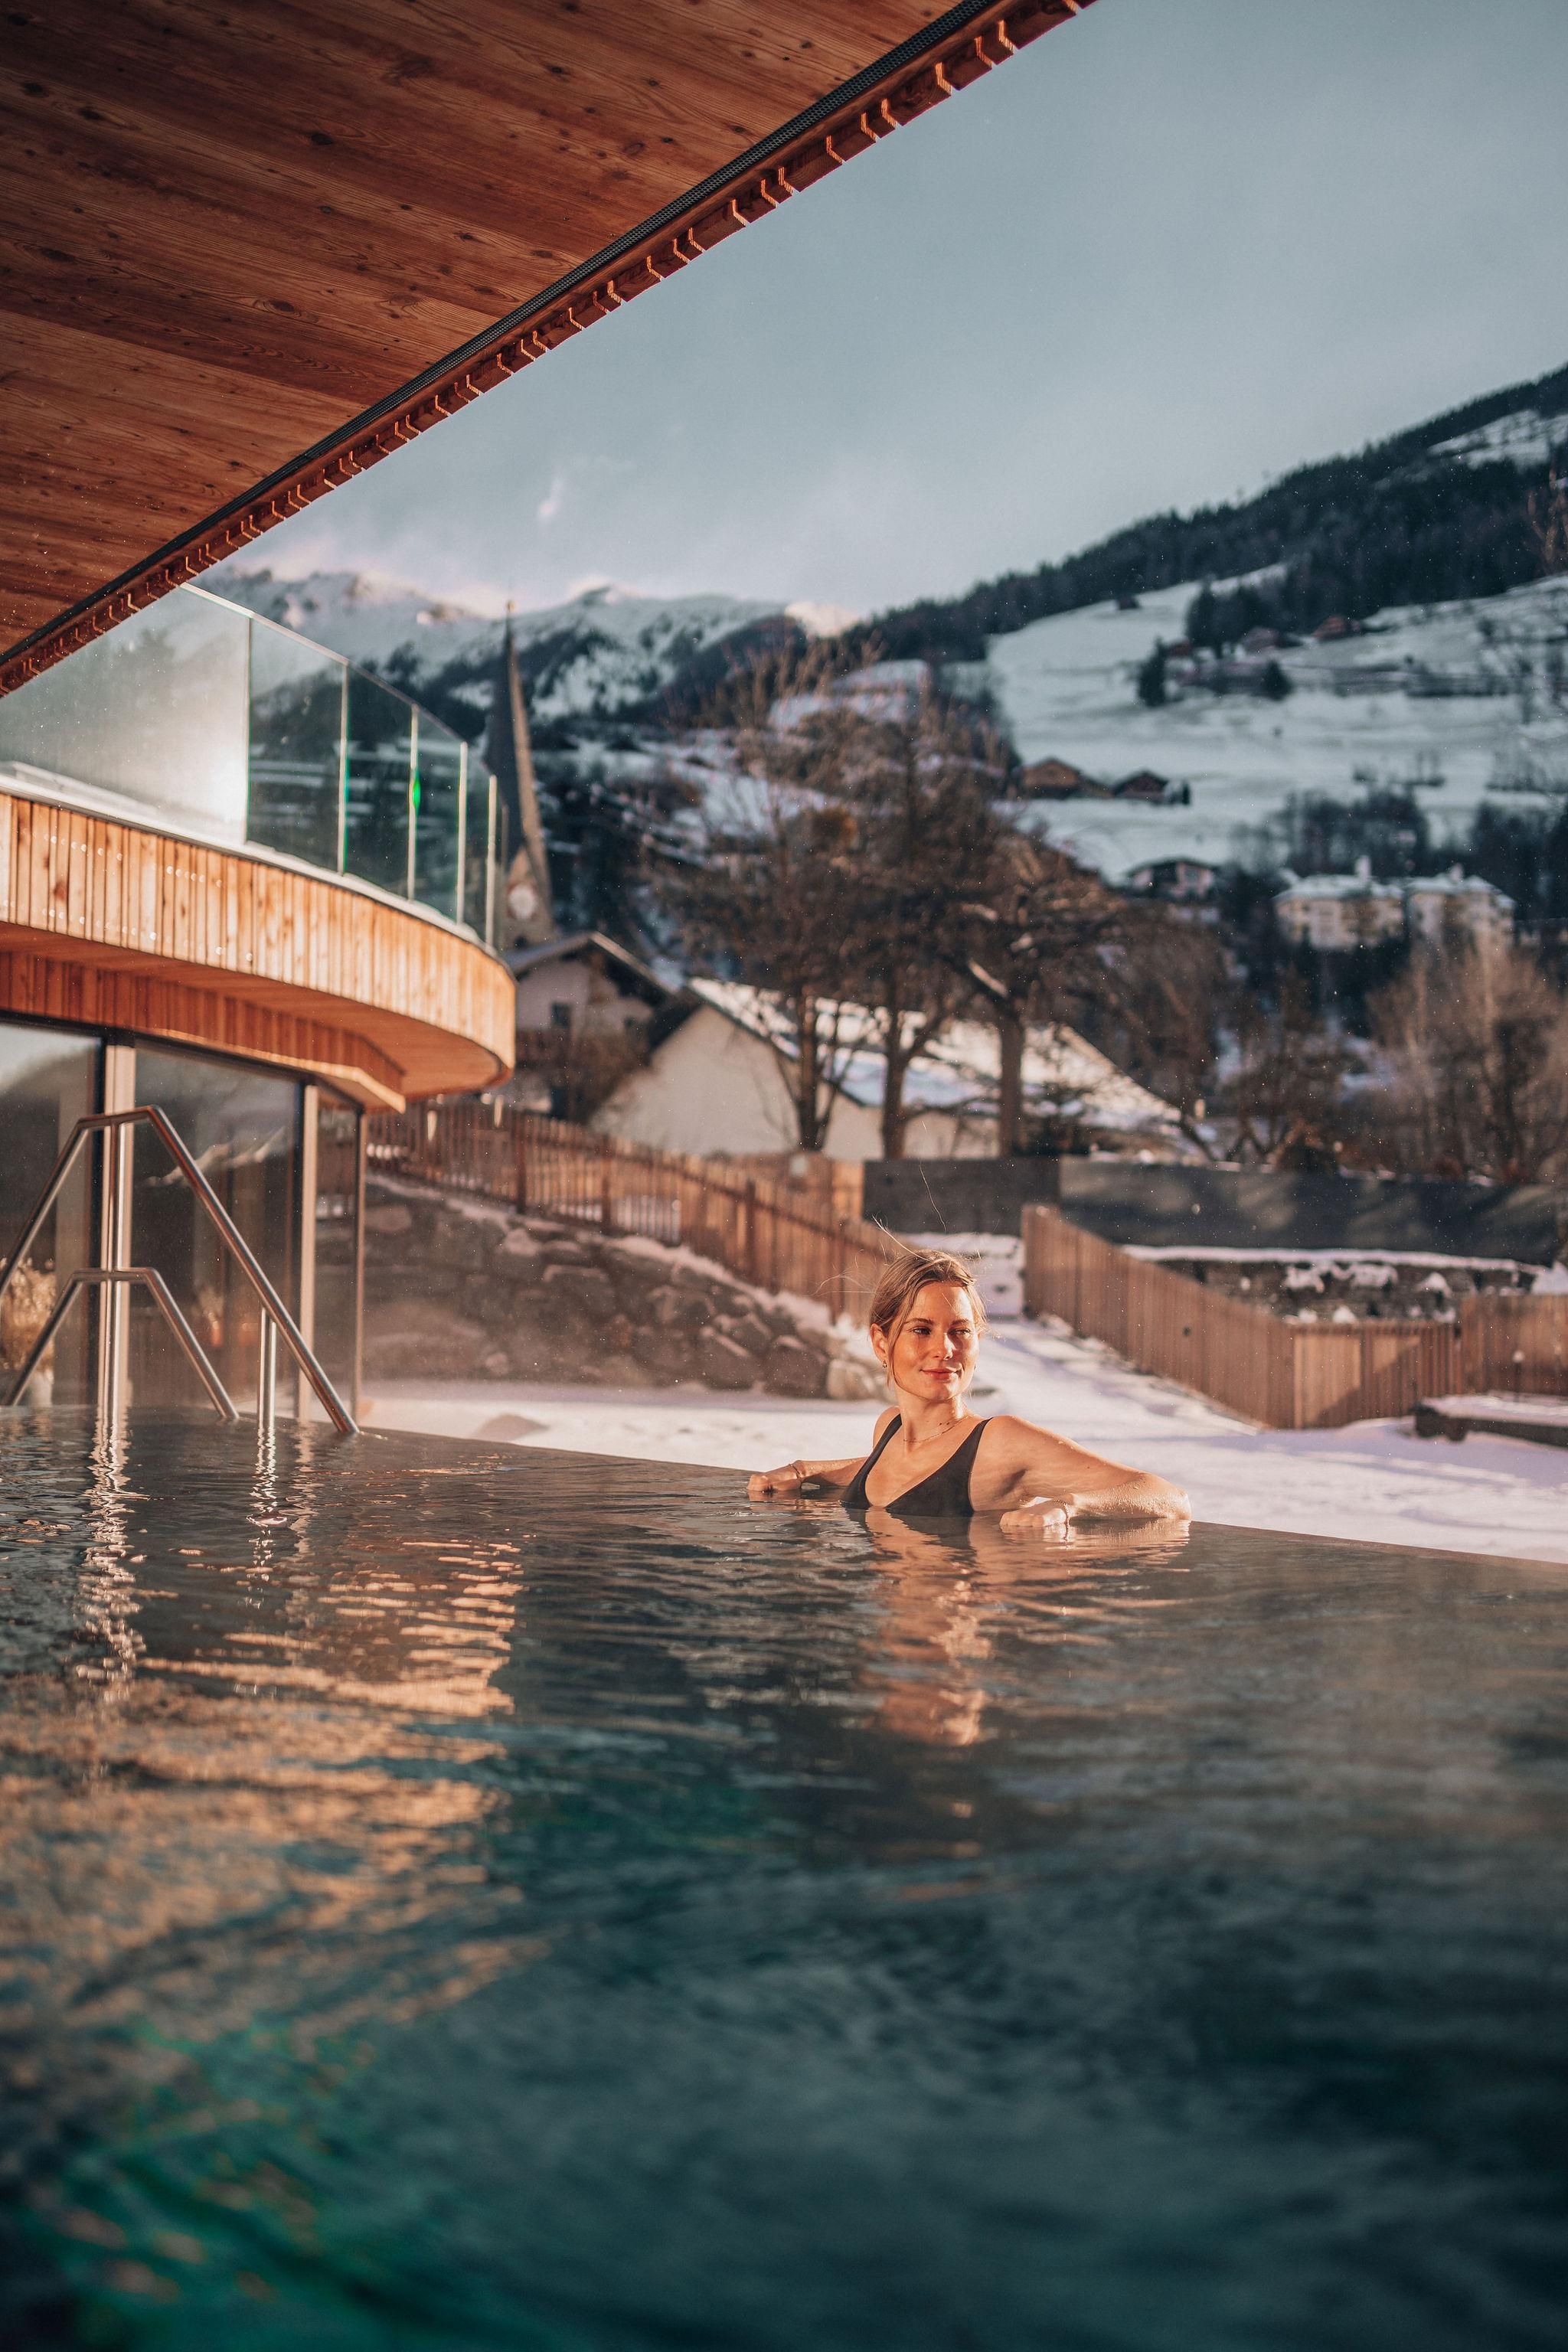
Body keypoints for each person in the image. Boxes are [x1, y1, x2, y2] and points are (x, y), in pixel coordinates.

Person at [747, 1247, 1189, 1536]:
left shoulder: (1001, 1442)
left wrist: (1065, 1508)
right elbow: (893, 1468)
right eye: (922, 1330)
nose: (945, 1349)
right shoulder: (891, 1428)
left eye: (960, 1331)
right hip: (895, 1633)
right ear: (882, 1343)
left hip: (957, 1634)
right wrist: (804, 1471)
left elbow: (1167, 1497)